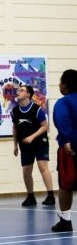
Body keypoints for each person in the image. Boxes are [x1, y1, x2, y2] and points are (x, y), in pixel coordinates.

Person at [11, 84, 55, 207]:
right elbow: (15, 128)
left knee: (42, 166)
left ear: (28, 94)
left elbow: (45, 126)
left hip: (40, 142)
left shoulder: (37, 109)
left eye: (22, 90)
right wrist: (15, 145)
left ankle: (50, 195)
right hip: (25, 144)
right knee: (26, 170)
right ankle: (31, 197)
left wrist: (32, 136)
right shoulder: (14, 111)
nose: (18, 92)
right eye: (18, 90)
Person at [51, 69, 77, 232]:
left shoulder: (63, 102)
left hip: (71, 148)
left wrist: (66, 140)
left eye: (60, 82)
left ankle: (65, 221)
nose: (59, 85)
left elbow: (62, 119)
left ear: (65, 85)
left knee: (65, 184)